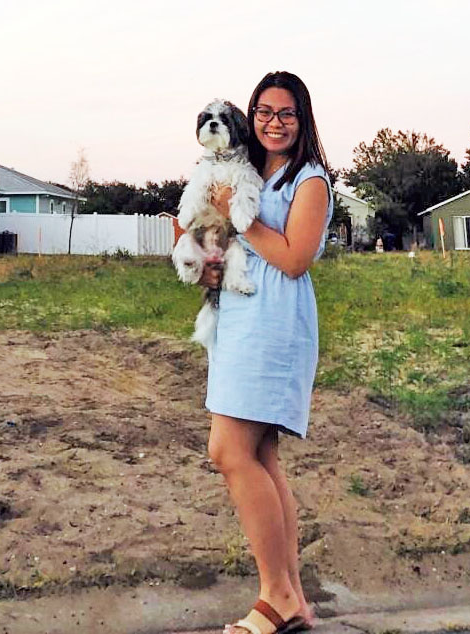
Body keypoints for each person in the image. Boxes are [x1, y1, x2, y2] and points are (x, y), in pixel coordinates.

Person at [198, 71, 333, 634]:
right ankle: (293, 597)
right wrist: (211, 254)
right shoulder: (250, 172)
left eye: (286, 114)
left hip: (275, 326)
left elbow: (295, 257)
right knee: (261, 456)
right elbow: (227, 233)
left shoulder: (311, 182)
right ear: (250, 116)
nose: (274, 123)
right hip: (239, 318)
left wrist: (239, 216)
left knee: (228, 451)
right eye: (264, 112)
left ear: (302, 122)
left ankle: (274, 595)